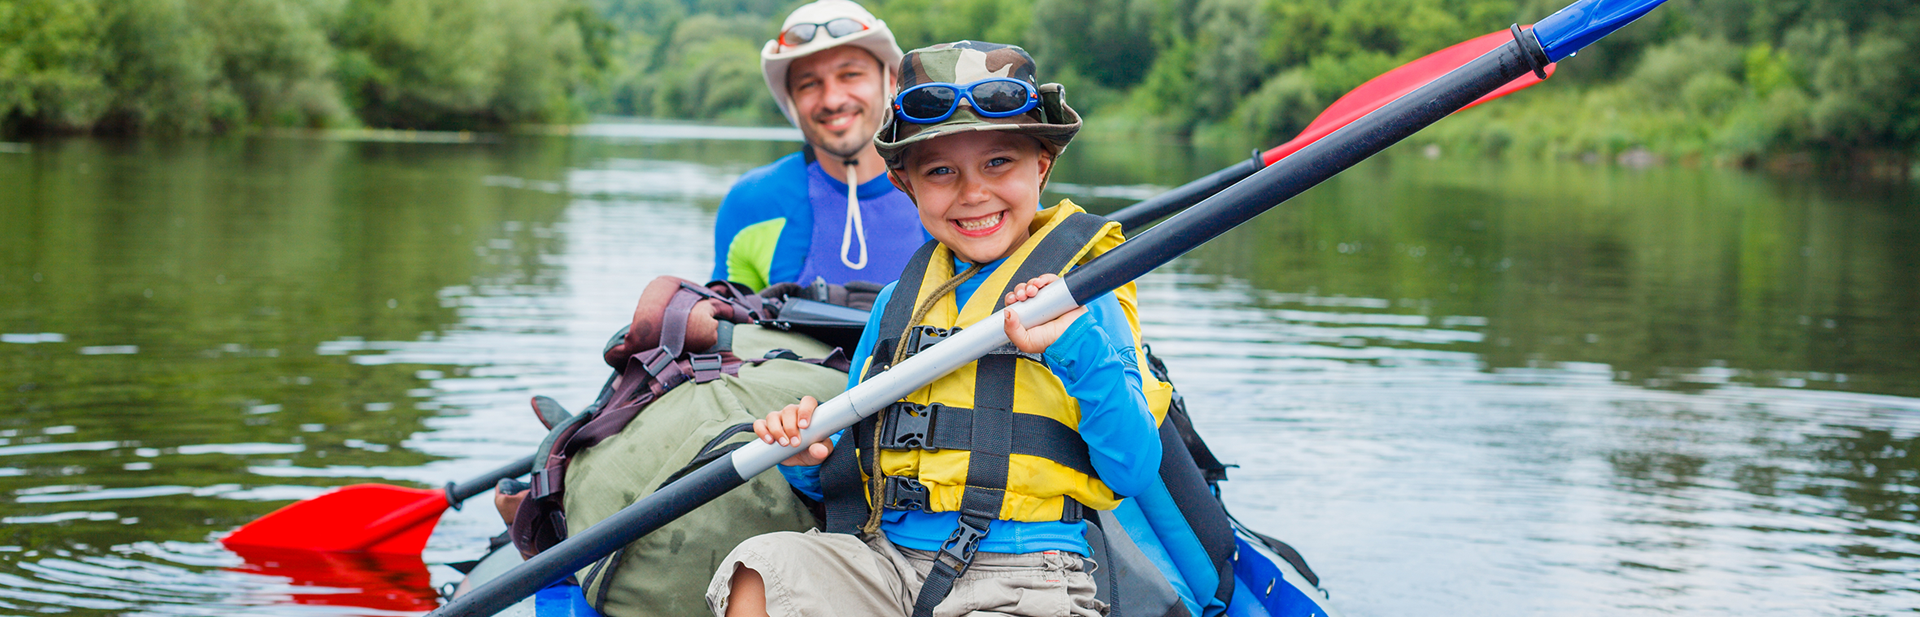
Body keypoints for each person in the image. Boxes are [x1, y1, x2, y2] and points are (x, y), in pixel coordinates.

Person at [706, 41, 1163, 617]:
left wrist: (1073, 344)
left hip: (1024, 579)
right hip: (888, 564)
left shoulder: (1081, 294)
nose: (973, 192)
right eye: (941, 171)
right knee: (762, 571)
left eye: (998, 162)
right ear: (906, 185)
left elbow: (1135, 467)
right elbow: (859, 469)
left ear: (1041, 166)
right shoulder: (902, 300)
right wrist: (810, 465)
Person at [712, 0, 930, 292]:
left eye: (850, 75)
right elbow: (727, 321)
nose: (832, 100)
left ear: (890, 81)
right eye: (809, 84)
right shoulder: (753, 200)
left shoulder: (944, 187)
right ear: (790, 100)